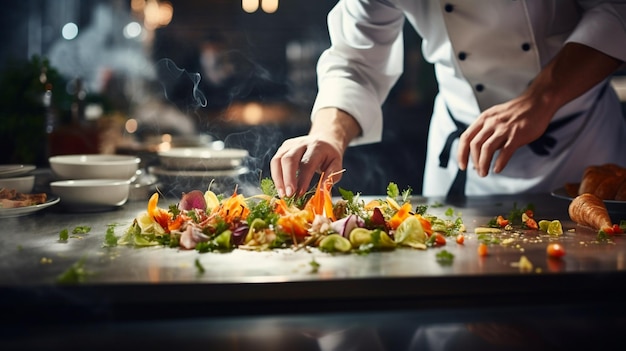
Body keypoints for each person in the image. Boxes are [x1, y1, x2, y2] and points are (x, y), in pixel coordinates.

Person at [270, 0, 626, 199]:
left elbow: (615, 11)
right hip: (462, 147)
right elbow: (355, 59)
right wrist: (327, 132)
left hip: (579, 141)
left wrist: (542, 96)